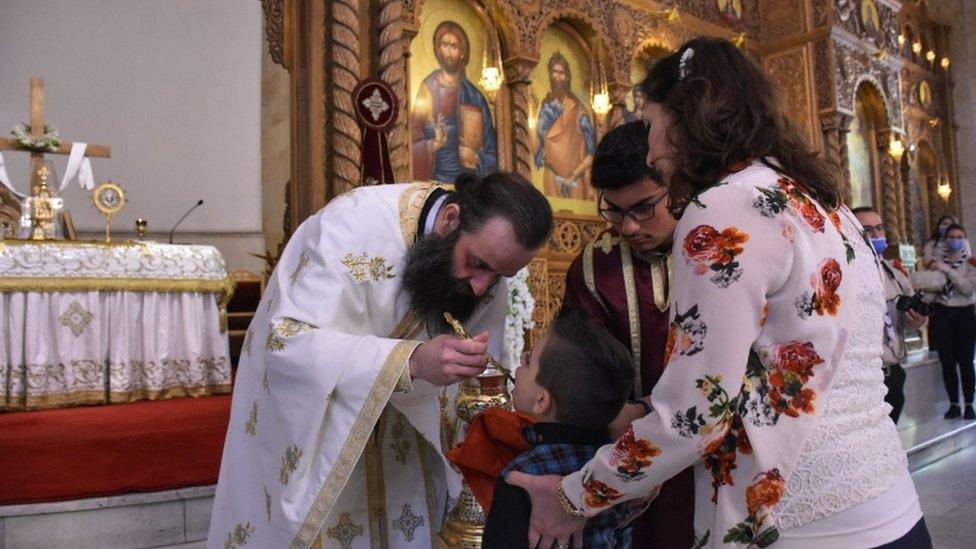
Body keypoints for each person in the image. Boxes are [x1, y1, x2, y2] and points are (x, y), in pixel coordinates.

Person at [509, 37, 931, 549]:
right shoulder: (823, 204)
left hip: (802, 525)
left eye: (652, 125)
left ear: (687, 119)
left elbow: (697, 414)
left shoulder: (725, 208)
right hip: (889, 502)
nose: (650, 149)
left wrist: (576, 495)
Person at [207, 173, 552, 548]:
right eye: (478, 264)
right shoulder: (352, 225)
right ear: (451, 219)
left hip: (408, 461)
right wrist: (411, 362)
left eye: (500, 277)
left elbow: (475, 380)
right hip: (326, 447)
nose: (481, 288)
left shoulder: (483, 272)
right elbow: (285, 340)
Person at [562, 120, 694, 548]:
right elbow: (580, 365)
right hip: (630, 458)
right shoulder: (593, 267)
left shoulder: (715, 245)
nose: (629, 226)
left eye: (642, 208)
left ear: (674, 186)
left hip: (720, 455)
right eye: (614, 210)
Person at [482, 308, 636, 548]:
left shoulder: (522, 477)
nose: (519, 366)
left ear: (541, 401)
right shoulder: (619, 467)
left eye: (528, 360)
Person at [853, 206, 927, 423]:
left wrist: (917, 320)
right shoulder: (846, 273)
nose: (876, 235)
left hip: (892, 368)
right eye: (868, 230)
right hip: (864, 374)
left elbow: (910, 314)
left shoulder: (893, 273)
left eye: (879, 228)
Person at [411, 21, 498, 182]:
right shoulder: (427, 89)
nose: (449, 52)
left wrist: (477, 159)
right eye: (444, 45)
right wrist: (434, 144)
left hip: (470, 187)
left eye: (454, 46)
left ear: (463, 53)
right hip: (432, 185)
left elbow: (494, 155)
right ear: (437, 49)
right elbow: (411, 143)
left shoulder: (475, 97)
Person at [927, 223, 976, 420]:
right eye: (951, 236)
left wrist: (948, 270)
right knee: (947, 362)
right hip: (942, 313)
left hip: (964, 313)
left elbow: (967, 288)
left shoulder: (971, 263)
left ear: (964, 239)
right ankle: (954, 404)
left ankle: (970, 404)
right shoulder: (937, 261)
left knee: (965, 362)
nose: (955, 240)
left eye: (959, 236)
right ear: (946, 240)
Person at [535, 51, 597, 200]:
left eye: (561, 73)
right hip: (552, 178)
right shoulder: (545, 109)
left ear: (567, 77)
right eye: (554, 72)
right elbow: (538, 148)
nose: (557, 77)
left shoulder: (578, 111)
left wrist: (573, 176)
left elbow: (592, 152)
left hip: (575, 180)